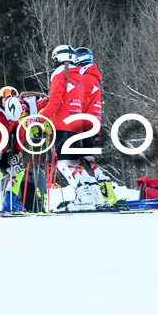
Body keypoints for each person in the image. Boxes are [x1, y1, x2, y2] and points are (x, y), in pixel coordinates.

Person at [37, 45, 103, 210]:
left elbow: (55, 102)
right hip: (77, 126)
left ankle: (83, 197)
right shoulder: (79, 76)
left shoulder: (59, 75)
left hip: (63, 126)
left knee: (63, 164)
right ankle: (95, 196)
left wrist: (40, 119)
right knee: (74, 163)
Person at [75, 47, 118, 206]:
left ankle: (101, 195)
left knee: (83, 160)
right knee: (86, 159)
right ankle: (104, 194)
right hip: (91, 123)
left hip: (84, 124)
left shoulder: (86, 78)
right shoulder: (92, 76)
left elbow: (82, 101)